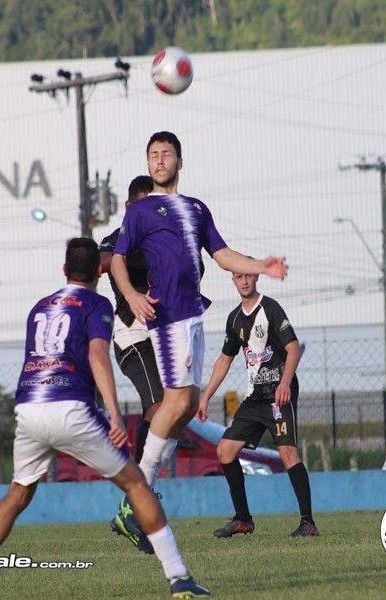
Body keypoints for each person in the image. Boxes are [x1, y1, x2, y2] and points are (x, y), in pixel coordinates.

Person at [0, 238, 209, 600]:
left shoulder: (40, 306)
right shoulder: (97, 304)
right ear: (99, 273)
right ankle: (179, 578)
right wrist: (115, 415)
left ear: (64, 269)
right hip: (70, 407)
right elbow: (98, 356)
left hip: (29, 407)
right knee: (137, 485)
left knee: (17, 494)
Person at [109, 131, 287, 552]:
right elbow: (116, 258)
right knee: (173, 403)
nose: (159, 161)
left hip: (192, 315)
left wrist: (261, 265)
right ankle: (136, 498)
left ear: (179, 161)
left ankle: (138, 495)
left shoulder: (196, 208)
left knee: (187, 405)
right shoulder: (141, 210)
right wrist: (132, 295)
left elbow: (222, 255)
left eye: (166, 154)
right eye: (153, 155)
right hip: (167, 314)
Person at [197, 271, 318, 539]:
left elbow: (293, 347)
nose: (244, 281)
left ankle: (308, 523)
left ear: (256, 278)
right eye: (238, 276)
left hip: (279, 394)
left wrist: (285, 383)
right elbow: (224, 360)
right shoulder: (234, 319)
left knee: (287, 454)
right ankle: (243, 519)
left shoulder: (271, 309)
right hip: (255, 397)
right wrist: (205, 397)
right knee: (225, 451)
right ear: (233, 281)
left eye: (248, 276)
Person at [98, 175, 163, 464]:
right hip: (132, 335)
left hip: (164, 332)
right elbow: (101, 262)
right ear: (128, 207)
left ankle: (147, 474)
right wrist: (127, 254)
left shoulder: (167, 237)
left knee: (180, 405)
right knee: (158, 403)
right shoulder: (117, 239)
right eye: (142, 208)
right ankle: (140, 478)